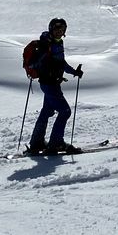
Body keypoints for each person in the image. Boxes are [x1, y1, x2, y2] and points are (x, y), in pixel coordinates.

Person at [28, 18, 84, 156]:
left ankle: (37, 142)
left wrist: (74, 72)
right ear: (51, 30)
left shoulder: (58, 43)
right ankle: (56, 143)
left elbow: (61, 63)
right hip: (49, 84)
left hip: (50, 83)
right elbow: (41, 63)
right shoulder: (46, 45)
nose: (59, 32)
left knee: (46, 111)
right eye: (57, 30)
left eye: (62, 30)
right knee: (65, 111)